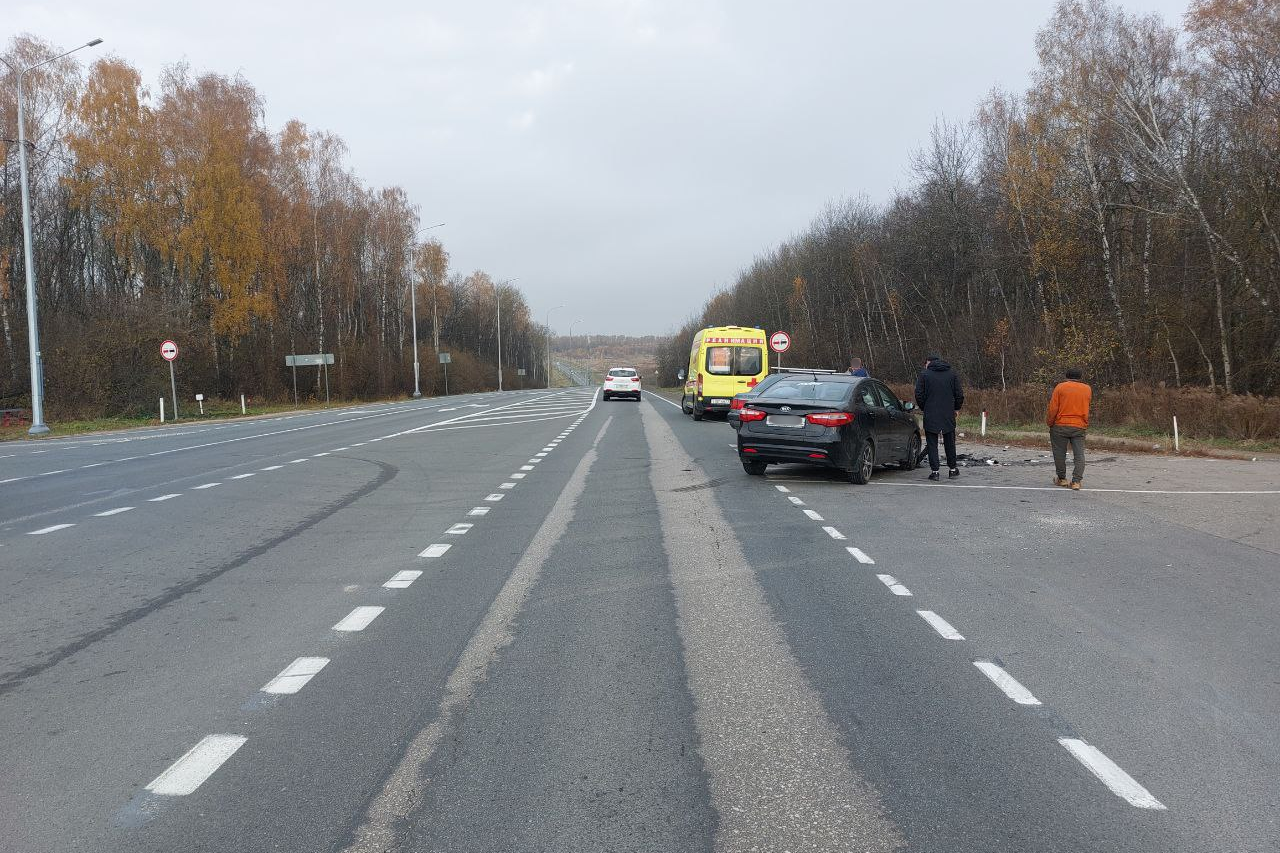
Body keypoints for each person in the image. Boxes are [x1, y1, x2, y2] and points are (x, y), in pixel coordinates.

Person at [915, 353, 964, 481]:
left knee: (932, 443)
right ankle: (952, 469)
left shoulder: (925, 375)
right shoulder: (952, 374)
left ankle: (935, 472)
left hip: (931, 412)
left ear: (929, 363)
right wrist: (956, 408)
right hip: (948, 412)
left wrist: (924, 407)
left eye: (925, 363)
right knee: (950, 442)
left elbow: (919, 394)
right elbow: (959, 394)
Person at [1047, 367, 1091, 490]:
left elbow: (1053, 408)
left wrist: (1050, 422)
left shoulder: (1060, 387)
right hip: (1079, 425)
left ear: (1067, 376)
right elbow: (1086, 406)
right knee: (1079, 454)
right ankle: (1076, 481)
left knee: (1059, 453)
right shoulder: (1087, 389)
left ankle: (1062, 479)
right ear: (1080, 377)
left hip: (1060, 425)